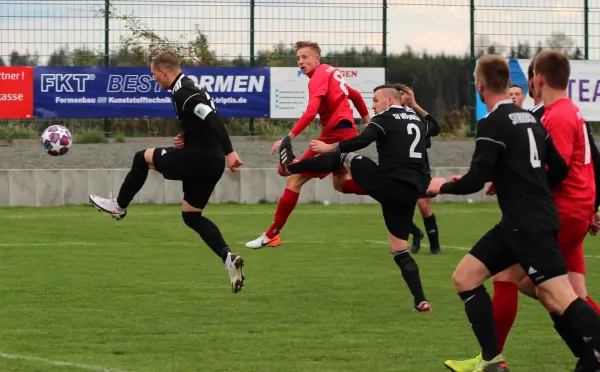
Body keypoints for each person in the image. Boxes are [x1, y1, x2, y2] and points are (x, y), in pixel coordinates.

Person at [428, 54, 600, 372]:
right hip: (532, 220)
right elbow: (558, 168)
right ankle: (494, 361)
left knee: (561, 297)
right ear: (509, 84)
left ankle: (584, 356)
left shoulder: (498, 121)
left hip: (531, 222)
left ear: (479, 85)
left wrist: (441, 186)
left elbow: (475, 180)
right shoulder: (531, 118)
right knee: (470, 277)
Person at [88, 51, 246, 294]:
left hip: (201, 160)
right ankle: (228, 258)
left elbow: (213, 119)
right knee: (191, 216)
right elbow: (202, 124)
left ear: (164, 71)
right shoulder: (188, 87)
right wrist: (186, 137)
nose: (155, 80)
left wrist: (231, 152)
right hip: (210, 163)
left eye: (154, 75)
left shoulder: (184, 93)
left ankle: (119, 205)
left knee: (142, 157)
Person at [276, 83, 432, 312]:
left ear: (390, 101)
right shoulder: (417, 120)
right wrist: (416, 106)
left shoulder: (384, 118)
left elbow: (362, 140)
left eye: (376, 100)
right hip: (410, 192)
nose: (373, 105)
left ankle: (291, 167)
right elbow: (433, 130)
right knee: (399, 251)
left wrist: (330, 147)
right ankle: (421, 301)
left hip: (389, 184)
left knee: (344, 156)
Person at [245, 40, 370, 249]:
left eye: (305, 57)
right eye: (298, 59)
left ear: (317, 58)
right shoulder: (331, 72)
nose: (301, 62)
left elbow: (311, 111)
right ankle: (387, 190)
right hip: (345, 131)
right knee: (340, 184)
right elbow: (355, 95)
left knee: (294, 178)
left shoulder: (319, 76)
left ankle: (271, 235)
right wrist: (368, 122)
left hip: (334, 134)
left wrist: (288, 137)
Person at [396, 85, 442, 255]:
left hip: (420, 168)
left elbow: (435, 129)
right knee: (398, 207)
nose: (403, 97)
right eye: (400, 94)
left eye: (406, 94)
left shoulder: (415, 116)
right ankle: (416, 233)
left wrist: (415, 105)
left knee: (423, 205)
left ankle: (434, 245)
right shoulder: (390, 117)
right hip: (399, 168)